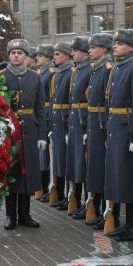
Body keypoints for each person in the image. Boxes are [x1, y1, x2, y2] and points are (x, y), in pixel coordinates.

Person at [1, 39, 47, 230]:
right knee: (11, 172)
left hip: (29, 129)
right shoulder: (1, 77)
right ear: (9, 56)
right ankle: (10, 215)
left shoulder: (35, 77)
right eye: (13, 53)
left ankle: (25, 214)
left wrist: (42, 135)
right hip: (8, 130)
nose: (16, 56)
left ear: (26, 56)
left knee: (27, 172)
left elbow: (40, 108)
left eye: (20, 52)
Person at [85, 33, 119, 230]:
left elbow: (108, 102)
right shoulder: (96, 69)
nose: (90, 50)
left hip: (102, 124)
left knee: (104, 169)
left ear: (104, 50)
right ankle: (97, 209)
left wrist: (105, 126)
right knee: (95, 167)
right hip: (93, 122)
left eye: (94, 47)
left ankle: (109, 212)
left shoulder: (107, 69)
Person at [104, 29, 133, 242]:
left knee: (128, 179)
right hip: (116, 127)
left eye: (120, 43)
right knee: (120, 178)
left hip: (126, 129)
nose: (115, 46)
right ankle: (127, 224)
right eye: (114, 43)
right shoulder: (118, 67)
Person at [66, 36, 92, 218]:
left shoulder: (90, 70)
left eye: (75, 50)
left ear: (85, 52)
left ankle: (90, 203)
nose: (72, 53)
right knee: (77, 163)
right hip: (75, 121)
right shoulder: (77, 71)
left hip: (84, 121)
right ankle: (82, 202)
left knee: (85, 165)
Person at [49, 42, 75, 210]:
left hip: (66, 123)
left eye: (58, 54)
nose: (55, 57)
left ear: (67, 55)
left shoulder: (71, 72)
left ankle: (71, 196)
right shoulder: (58, 74)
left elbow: (71, 102)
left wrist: (66, 125)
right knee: (59, 161)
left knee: (68, 162)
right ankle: (62, 195)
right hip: (57, 122)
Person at [36, 44, 56, 203]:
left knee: (49, 157)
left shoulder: (50, 73)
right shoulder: (41, 73)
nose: (37, 58)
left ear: (48, 58)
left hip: (48, 115)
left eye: (40, 55)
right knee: (42, 156)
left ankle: (51, 187)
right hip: (42, 114)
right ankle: (42, 187)